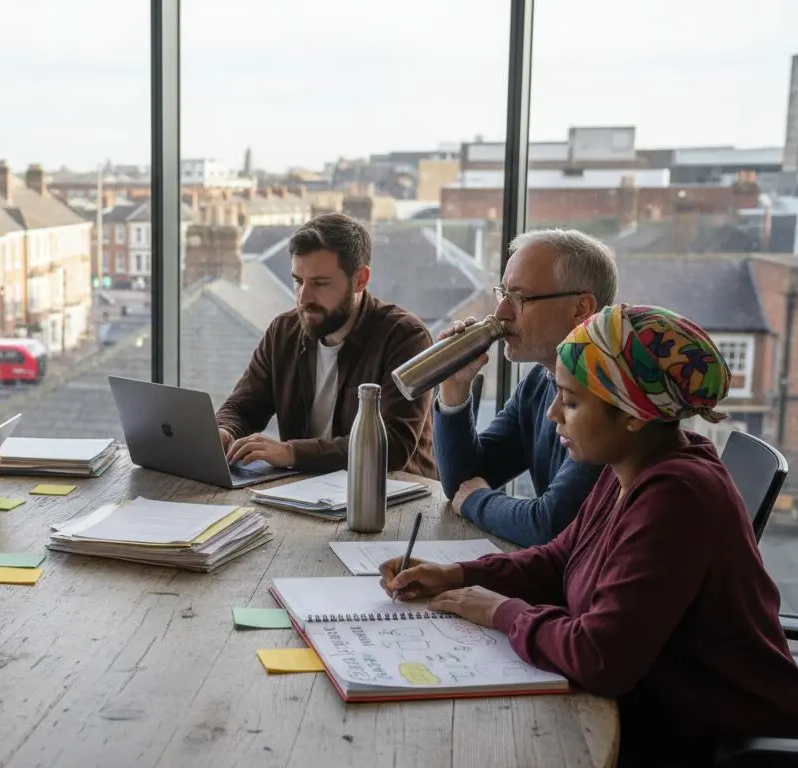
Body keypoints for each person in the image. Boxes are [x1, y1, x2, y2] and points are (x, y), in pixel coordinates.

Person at [381, 305, 798, 765]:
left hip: (707, 735)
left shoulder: (677, 498)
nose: (553, 414)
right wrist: (457, 574)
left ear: (633, 415)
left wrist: (501, 611)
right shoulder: (629, 466)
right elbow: (559, 558)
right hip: (655, 707)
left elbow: (600, 658)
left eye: (571, 402)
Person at [218, 212, 437, 477]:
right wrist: (224, 431)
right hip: (305, 489)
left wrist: (292, 453)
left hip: (394, 492)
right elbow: (243, 407)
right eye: (298, 281)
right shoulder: (283, 332)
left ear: (360, 280)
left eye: (320, 283)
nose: (303, 298)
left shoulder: (406, 338)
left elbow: (392, 445)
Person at [433, 229, 614, 546]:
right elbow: (464, 481)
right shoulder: (539, 381)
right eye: (503, 293)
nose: (501, 312)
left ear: (581, 309)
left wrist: (477, 501)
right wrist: (454, 389)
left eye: (520, 298)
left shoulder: (610, 394)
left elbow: (551, 524)